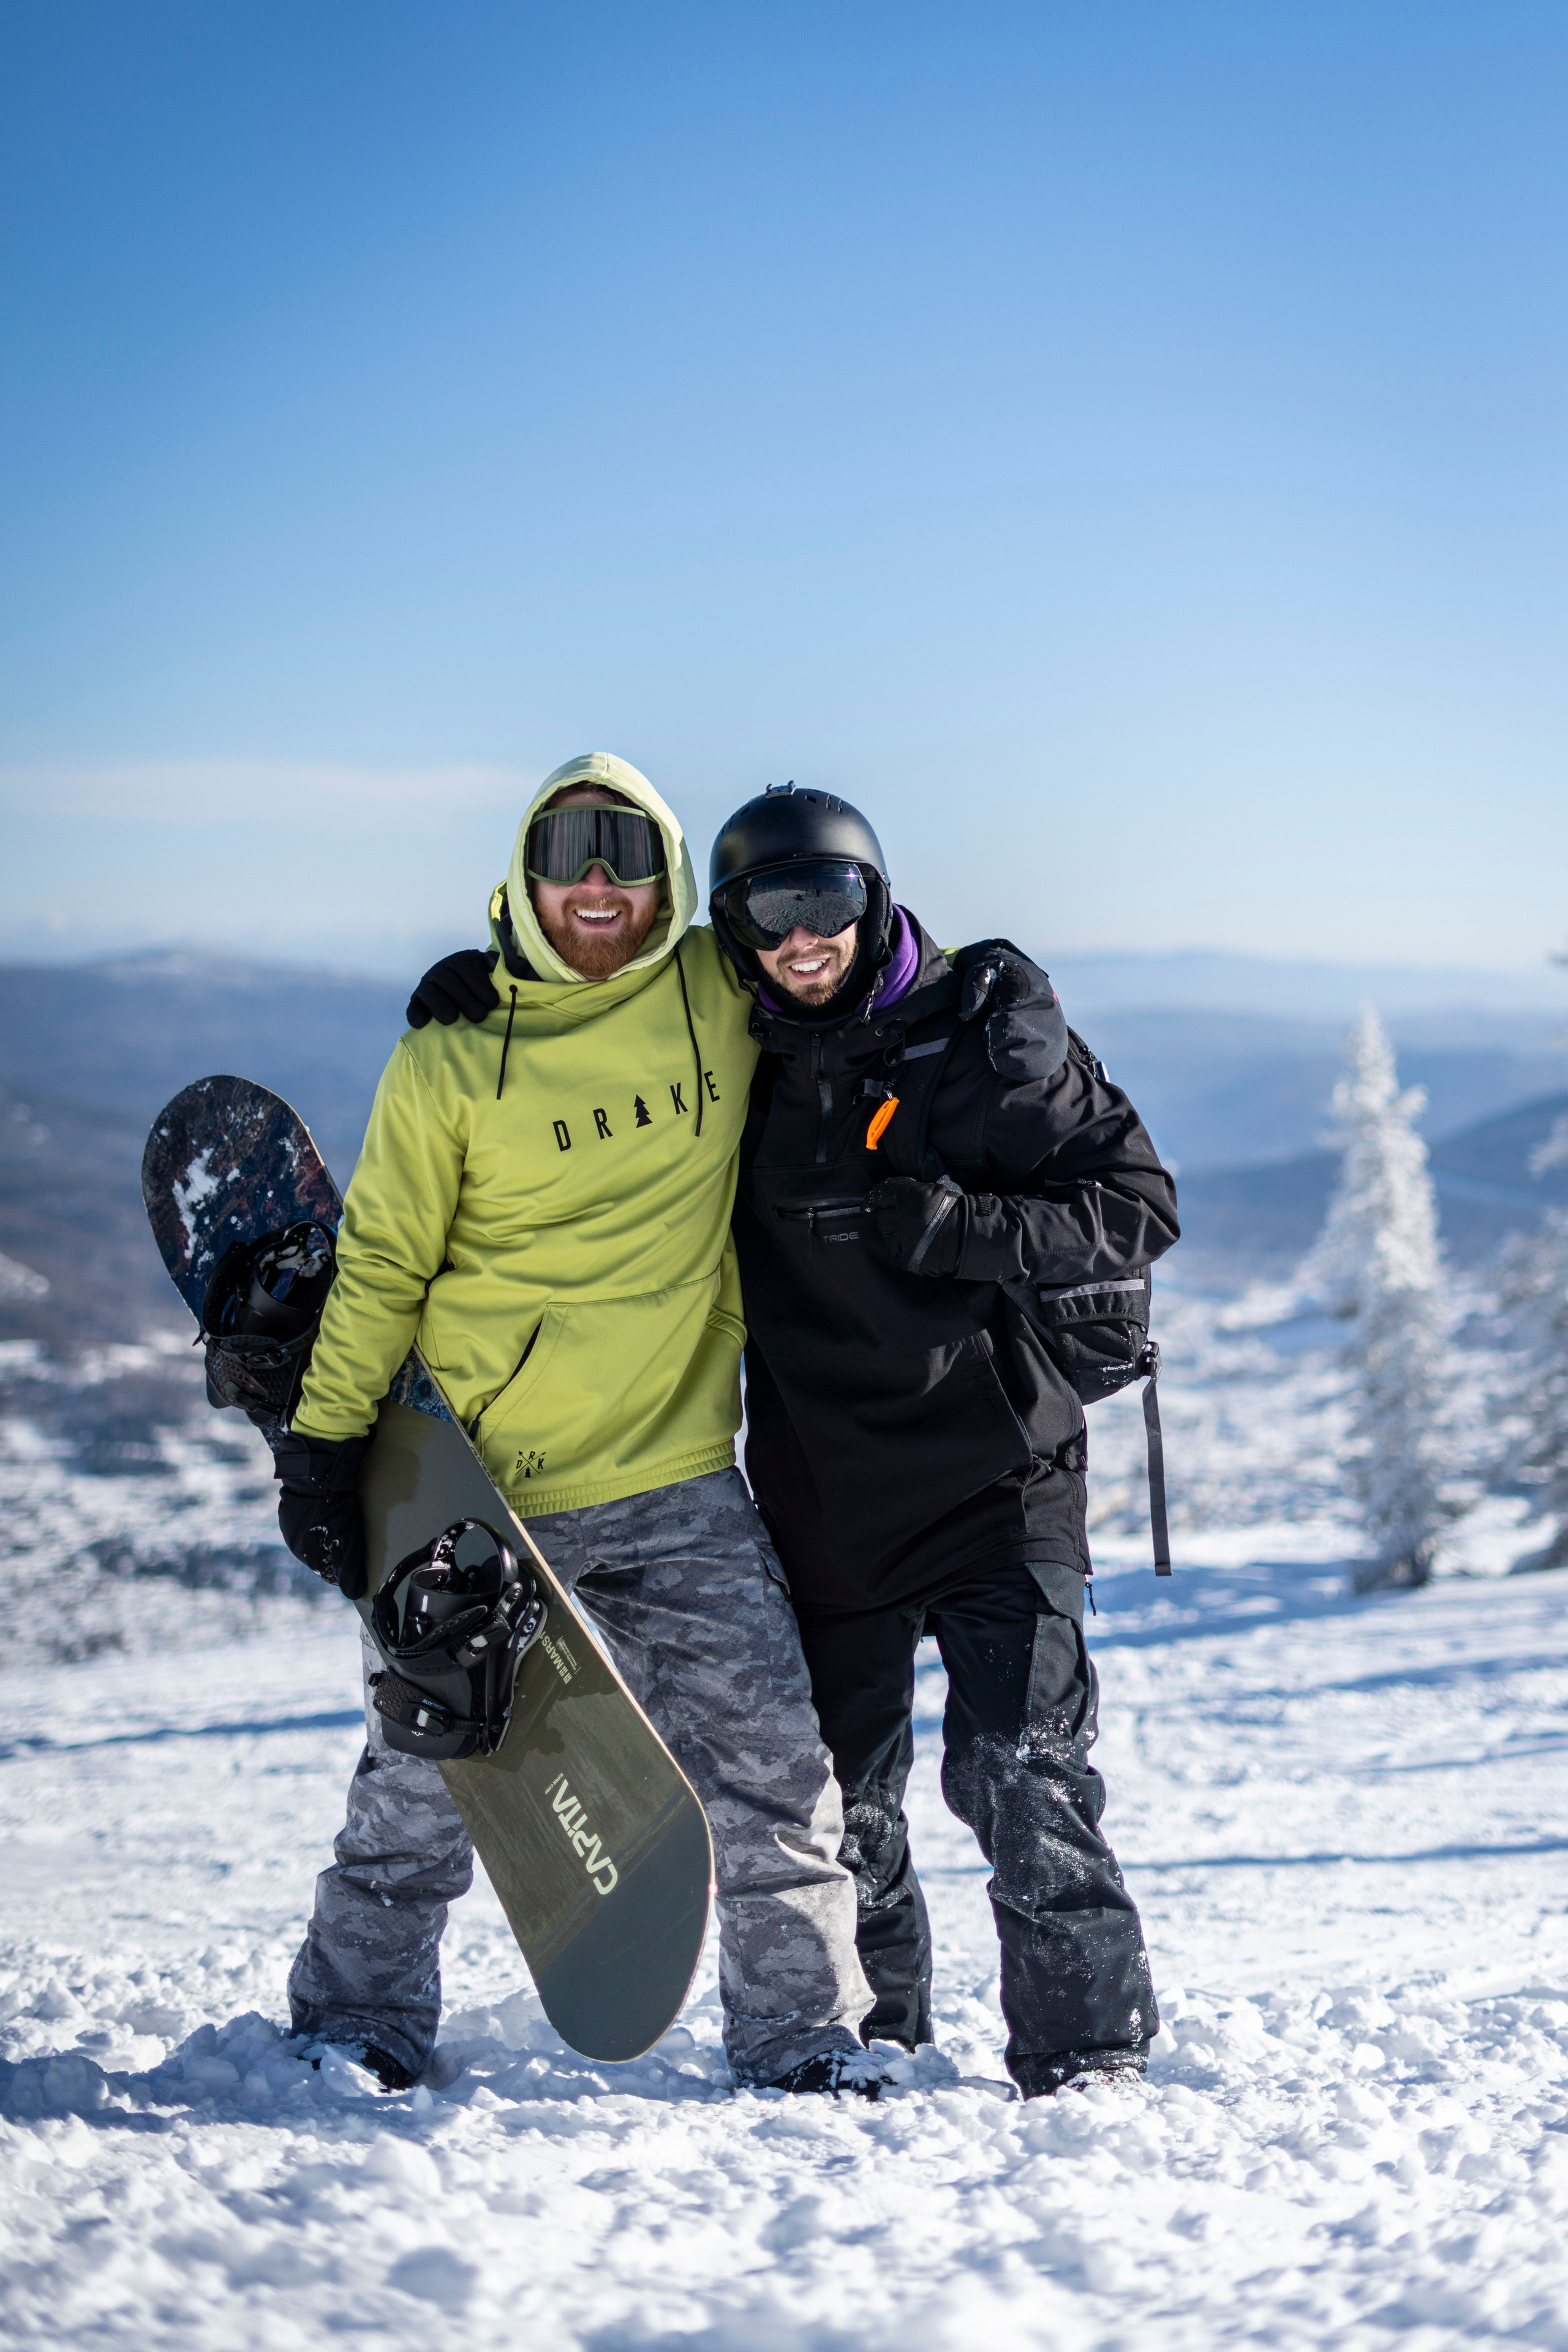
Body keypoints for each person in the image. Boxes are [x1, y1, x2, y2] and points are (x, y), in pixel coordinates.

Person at [410, 780, 1180, 2097]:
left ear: (871, 896)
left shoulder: (978, 1039)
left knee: (1022, 1776)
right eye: (768, 913)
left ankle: (1087, 2060)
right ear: (732, 930)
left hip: (1001, 1477)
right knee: (844, 1810)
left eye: (825, 900)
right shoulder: (729, 1041)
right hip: (827, 1497)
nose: (800, 938)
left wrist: (960, 1230)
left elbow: (1135, 1208)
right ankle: (875, 2040)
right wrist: (486, 992)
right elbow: (597, 986)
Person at [273, 752, 875, 2097]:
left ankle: (802, 2039)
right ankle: (356, 2019)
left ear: (667, 871)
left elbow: (837, 945)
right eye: (565, 854)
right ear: (523, 877)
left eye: (624, 849)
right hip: (483, 1492)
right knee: (424, 1780)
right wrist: (325, 1446)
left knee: (774, 1766)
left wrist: (976, 982)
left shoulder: (721, 986)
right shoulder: (447, 1058)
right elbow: (378, 1269)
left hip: (672, 1476)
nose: (595, 881)